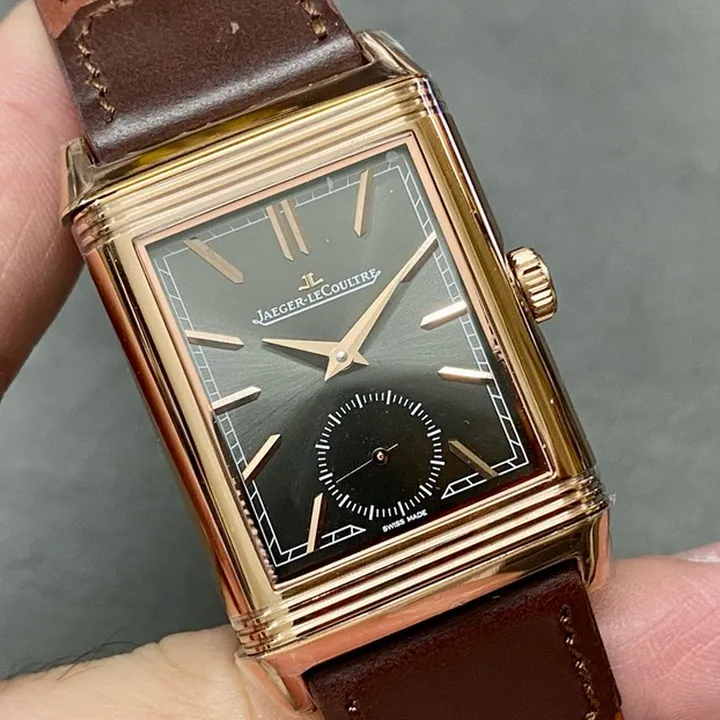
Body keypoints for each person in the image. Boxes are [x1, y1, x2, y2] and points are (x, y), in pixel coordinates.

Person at [1, 3, 719, 718]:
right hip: (352, 619)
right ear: (523, 285)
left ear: (519, 287)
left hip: (497, 556)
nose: (342, 362)